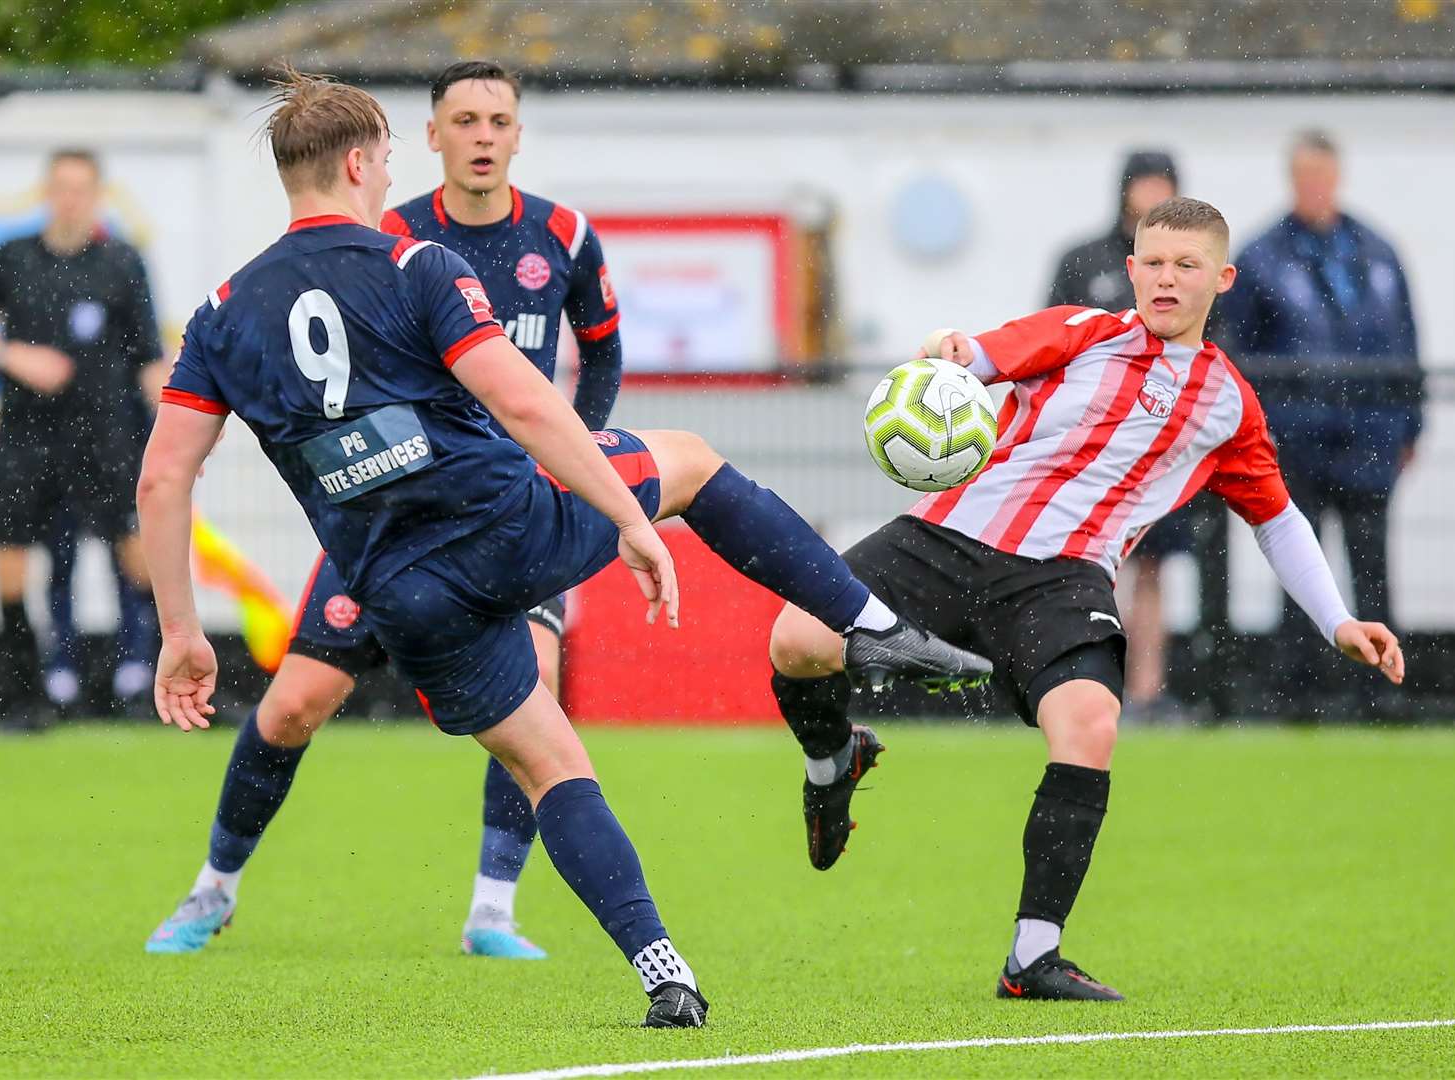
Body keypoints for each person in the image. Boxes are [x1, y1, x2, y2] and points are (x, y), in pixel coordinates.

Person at [136, 69, 987, 1027]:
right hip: (508, 529)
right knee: (693, 465)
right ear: (359, 161)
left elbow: (163, 481)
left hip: (403, 592)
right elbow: (525, 400)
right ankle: (869, 625)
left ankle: (665, 973)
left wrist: (180, 630)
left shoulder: (220, 313)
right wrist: (628, 520)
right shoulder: (413, 264)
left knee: (553, 770)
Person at [766, 197, 1405, 1001]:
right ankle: (833, 762)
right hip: (945, 534)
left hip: (1061, 580)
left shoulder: (1227, 405)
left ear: (1223, 278)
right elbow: (976, 356)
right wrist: (946, 349)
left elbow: (1275, 518)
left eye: (1187, 266)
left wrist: (1338, 619)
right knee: (795, 641)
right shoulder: (1080, 331)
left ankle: (1032, 957)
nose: (1166, 280)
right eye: (1153, 263)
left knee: (1089, 723)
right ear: (1131, 268)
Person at [145, 60, 626, 960]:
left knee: (540, 687)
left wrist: (576, 457)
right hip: (389, 519)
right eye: (464, 120)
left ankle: (493, 911)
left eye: (499, 119)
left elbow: (599, 355)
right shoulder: (385, 240)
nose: (483, 135)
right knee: (293, 706)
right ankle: (213, 888)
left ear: (518, 134)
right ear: (425, 140)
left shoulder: (562, 235)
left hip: (511, 507)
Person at [0, 149, 167, 729]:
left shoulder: (122, 262)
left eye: (81, 188)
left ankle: (157, 685)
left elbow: (148, 358)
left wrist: (179, 429)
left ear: (98, 195)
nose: (70, 198)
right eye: (61, 187)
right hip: (25, 438)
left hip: (105, 437)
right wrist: (12, 354)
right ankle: (27, 698)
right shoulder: (11, 258)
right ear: (46, 192)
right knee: (11, 563)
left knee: (140, 555)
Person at [1216, 131, 1422, 717]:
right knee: (1298, 566)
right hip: (1295, 437)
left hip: (1370, 434)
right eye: (1306, 177)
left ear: (1338, 177)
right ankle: (1297, 695)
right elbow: (1239, 354)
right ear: (1292, 179)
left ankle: (1382, 695)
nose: (1316, 188)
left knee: (1374, 566)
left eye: (1324, 176)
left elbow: (1406, 342)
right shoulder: (1259, 258)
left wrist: (1413, 425)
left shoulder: (1377, 252)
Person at [1046, 150, 1193, 722]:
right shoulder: (1084, 262)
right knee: (1086, 569)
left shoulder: (1190, 271)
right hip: (1087, 446)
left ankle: (1147, 692)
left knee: (1152, 569)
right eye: (1145, 187)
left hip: (1158, 446)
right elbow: (1052, 337)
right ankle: (1087, 688)